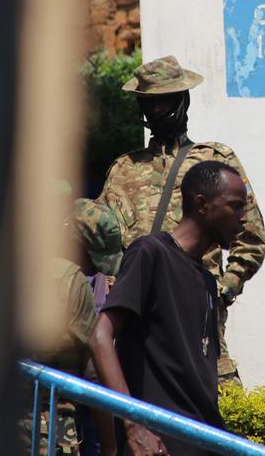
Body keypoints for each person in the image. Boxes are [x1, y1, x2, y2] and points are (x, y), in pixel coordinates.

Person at [95, 55, 265, 384]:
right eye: (149, 103)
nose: (157, 111)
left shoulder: (214, 161)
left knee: (216, 419)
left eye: (165, 101)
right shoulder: (123, 170)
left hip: (196, 321)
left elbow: (251, 238)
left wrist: (223, 289)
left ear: (182, 100)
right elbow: (98, 240)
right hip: (138, 327)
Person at [89, 161, 248, 456]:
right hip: (156, 446)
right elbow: (100, 336)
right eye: (236, 207)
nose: (243, 219)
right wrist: (134, 427)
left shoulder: (206, 282)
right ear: (202, 204)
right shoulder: (151, 254)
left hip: (202, 442)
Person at [21, 197, 123, 455]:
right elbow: (93, 372)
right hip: (47, 427)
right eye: (92, 258)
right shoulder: (71, 279)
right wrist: (110, 447)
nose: (93, 269)